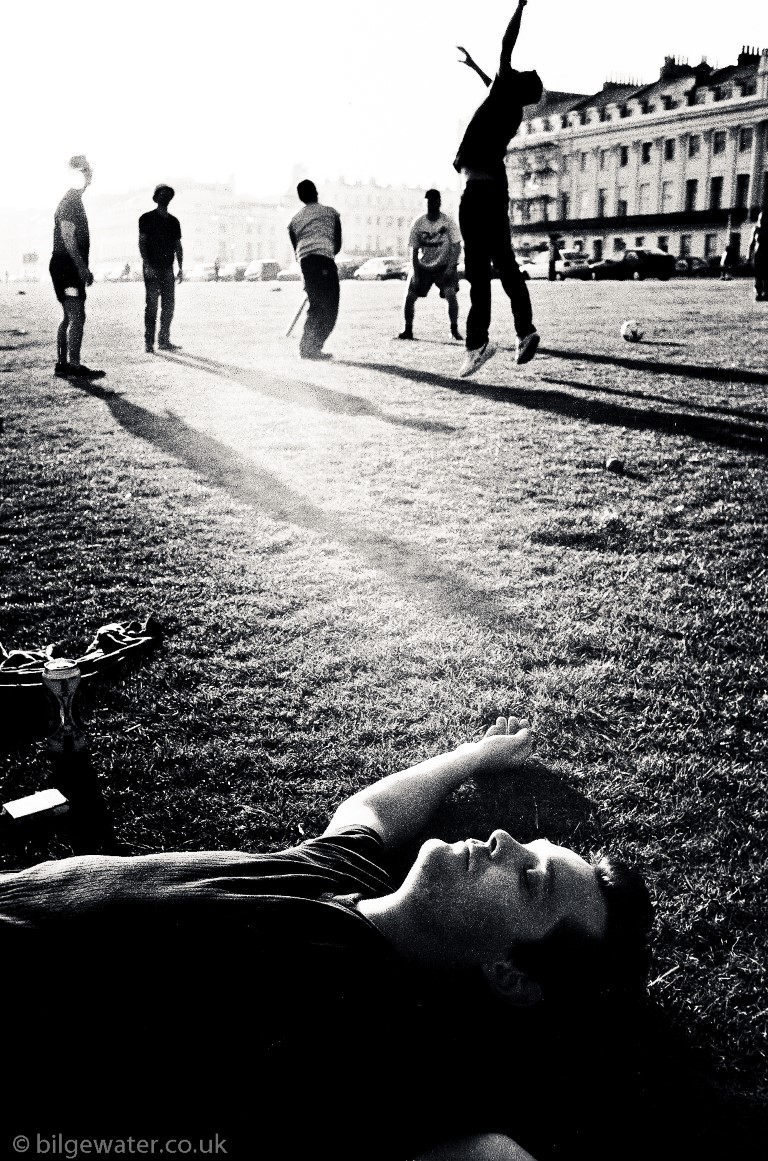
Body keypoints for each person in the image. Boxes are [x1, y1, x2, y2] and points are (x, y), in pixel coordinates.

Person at [2, 715, 652, 1160]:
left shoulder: (388, 1049)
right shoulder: (351, 870)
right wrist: (473, 756)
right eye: (530, 844)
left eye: (531, 878)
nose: (503, 840)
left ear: (510, 974)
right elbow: (370, 809)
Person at [454, 0, 543, 378]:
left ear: (517, 83)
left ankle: (478, 345)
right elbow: (491, 82)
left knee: (477, 273)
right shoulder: (511, 107)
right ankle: (525, 332)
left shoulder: (505, 90)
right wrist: (474, 66)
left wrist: (520, 6)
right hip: (495, 194)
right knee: (505, 265)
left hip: (476, 194)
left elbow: (507, 44)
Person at [48, 155, 104, 379]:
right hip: (67, 267)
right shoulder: (71, 201)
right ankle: (73, 366)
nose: (90, 174)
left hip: (63, 265)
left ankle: (63, 364)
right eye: (86, 170)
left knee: (69, 316)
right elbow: (68, 237)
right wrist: (81, 267)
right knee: (77, 316)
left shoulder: (72, 200)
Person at [288, 179, 342, 360]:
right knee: (330, 306)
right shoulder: (331, 213)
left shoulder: (294, 220)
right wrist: (327, 252)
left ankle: (309, 347)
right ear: (316, 192)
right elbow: (337, 243)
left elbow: (296, 247)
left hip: (306, 262)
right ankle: (311, 348)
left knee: (316, 304)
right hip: (324, 259)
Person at [398, 189, 463, 342]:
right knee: (409, 297)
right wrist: (415, 272)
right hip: (423, 266)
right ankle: (407, 330)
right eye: (428, 203)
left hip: (443, 266)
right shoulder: (419, 223)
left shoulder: (448, 221)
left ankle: (454, 330)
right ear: (424, 204)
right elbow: (413, 249)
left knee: (451, 295)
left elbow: (457, 245)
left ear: (439, 203)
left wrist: (450, 267)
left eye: (434, 203)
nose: (431, 206)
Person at [138, 184, 183, 353]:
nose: (165, 196)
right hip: (153, 268)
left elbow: (178, 245)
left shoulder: (173, 221)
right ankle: (149, 343)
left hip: (167, 269)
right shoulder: (146, 218)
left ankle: (163, 340)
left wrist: (180, 267)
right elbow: (142, 242)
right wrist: (147, 265)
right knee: (152, 306)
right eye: (162, 193)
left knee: (168, 306)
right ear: (156, 197)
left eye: (168, 194)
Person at [749, 210, 767, 301]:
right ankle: (759, 293)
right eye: (761, 218)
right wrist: (749, 255)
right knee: (758, 275)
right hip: (758, 254)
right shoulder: (755, 229)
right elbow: (751, 243)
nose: (762, 219)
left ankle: (766, 293)